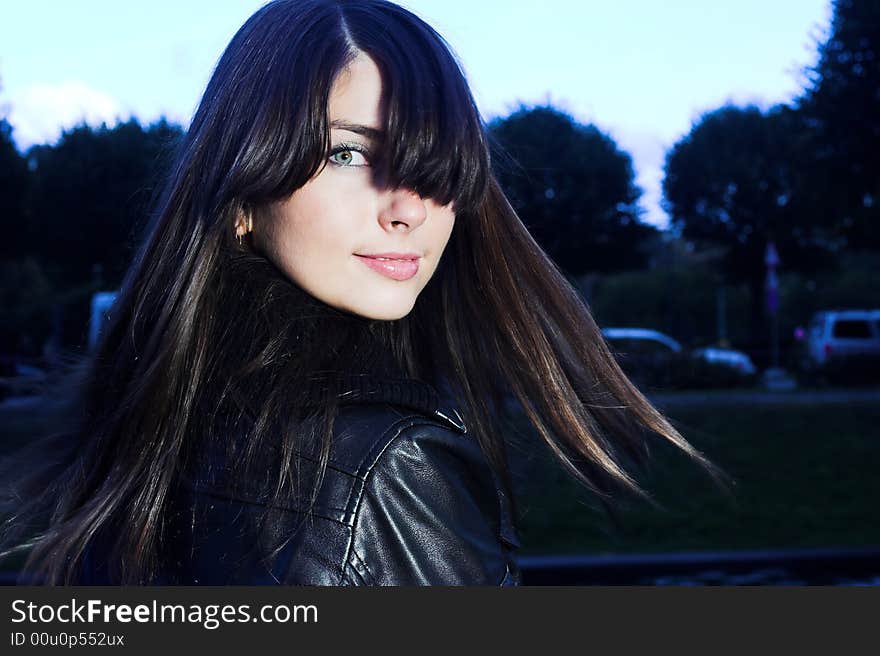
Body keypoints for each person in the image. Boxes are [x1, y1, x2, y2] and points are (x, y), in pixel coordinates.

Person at [0, 0, 730, 585]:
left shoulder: (159, 427)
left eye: (432, 164)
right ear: (242, 197)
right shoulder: (391, 468)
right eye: (349, 153)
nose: (407, 206)